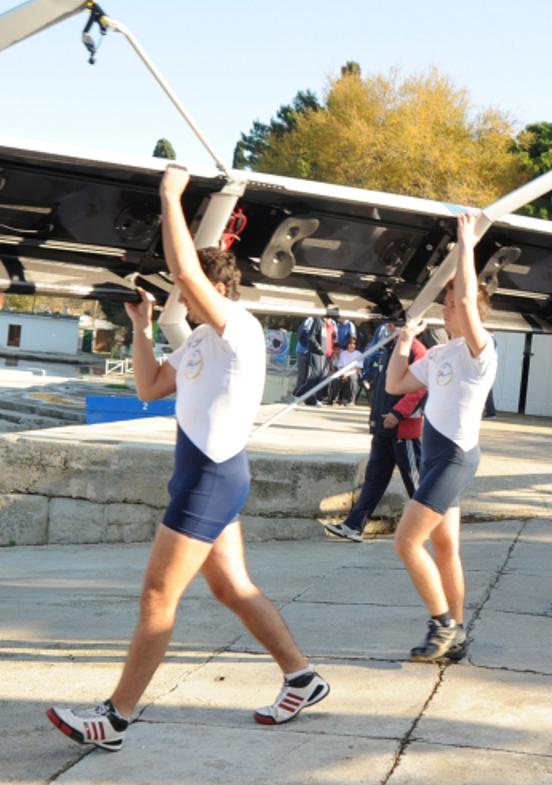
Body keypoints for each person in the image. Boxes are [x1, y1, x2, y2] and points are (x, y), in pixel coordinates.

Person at [46, 165, 329, 752]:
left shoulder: (238, 329)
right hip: (203, 475)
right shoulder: (200, 341)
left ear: (214, 289)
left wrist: (170, 196)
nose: (181, 295)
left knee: (158, 595)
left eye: (189, 290)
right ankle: (303, 677)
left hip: (211, 479)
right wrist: (142, 328)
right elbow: (150, 387)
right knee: (233, 589)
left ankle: (115, 717)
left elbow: (183, 270)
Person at [383, 212, 497, 661]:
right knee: (446, 546)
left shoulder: (479, 351)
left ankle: (442, 624)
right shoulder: (440, 353)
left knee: (406, 541)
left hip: (454, 458)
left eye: (450, 302)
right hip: (434, 458)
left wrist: (466, 244)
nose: (447, 307)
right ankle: (459, 634)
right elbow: (396, 384)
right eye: (446, 302)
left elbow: (468, 300)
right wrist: (404, 340)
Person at [323, 322, 429, 543]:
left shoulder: (418, 351)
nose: (389, 327)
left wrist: (398, 413)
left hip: (402, 429)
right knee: (374, 480)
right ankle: (354, 526)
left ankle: (431, 527)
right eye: (389, 323)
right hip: (382, 427)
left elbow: (419, 388)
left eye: (396, 323)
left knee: (415, 480)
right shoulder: (388, 349)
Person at [328, 337, 362, 406]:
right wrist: (343, 373)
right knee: (336, 379)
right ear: (347, 345)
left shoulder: (359, 354)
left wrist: (347, 374)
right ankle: (334, 399)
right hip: (343, 372)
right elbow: (340, 366)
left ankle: (351, 400)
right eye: (350, 343)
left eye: (353, 344)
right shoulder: (343, 353)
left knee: (352, 378)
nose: (351, 345)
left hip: (353, 373)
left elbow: (358, 369)